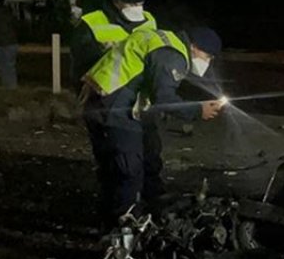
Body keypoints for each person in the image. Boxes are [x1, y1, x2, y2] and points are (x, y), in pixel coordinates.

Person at [81, 27, 225, 224]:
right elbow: (164, 98)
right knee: (129, 170)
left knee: (141, 159)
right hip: (114, 108)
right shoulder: (173, 55)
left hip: (105, 100)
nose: (207, 63)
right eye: (207, 56)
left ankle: (139, 217)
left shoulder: (166, 40)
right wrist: (198, 110)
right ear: (194, 47)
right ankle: (125, 232)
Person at [71, 0, 157, 89]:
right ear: (116, 1)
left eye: (139, 4)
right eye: (131, 4)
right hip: (105, 93)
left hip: (141, 91)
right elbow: (80, 65)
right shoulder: (92, 22)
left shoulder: (149, 20)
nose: (136, 8)